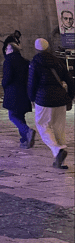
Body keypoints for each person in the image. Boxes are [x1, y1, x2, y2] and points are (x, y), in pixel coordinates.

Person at [28, 38, 75, 169]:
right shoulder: (58, 61)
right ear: (48, 48)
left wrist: (31, 98)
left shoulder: (35, 62)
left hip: (43, 99)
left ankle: (57, 150)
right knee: (60, 128)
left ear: (36, 49)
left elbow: (31, 83)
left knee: (42, 125)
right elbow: (70, 80)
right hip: (60, 99)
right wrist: (70, 97)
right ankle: (62, 162)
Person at [1, 36, 35, 148]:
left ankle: (27, 131)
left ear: (11, 50)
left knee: (13, 115)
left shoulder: (8, 61)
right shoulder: (25, 61)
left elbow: (7, 78)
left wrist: (4, 85)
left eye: (7, 49)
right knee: (20, 115)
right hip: (24, 91)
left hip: (13, 92)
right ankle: (25, 139)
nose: (5, 51)